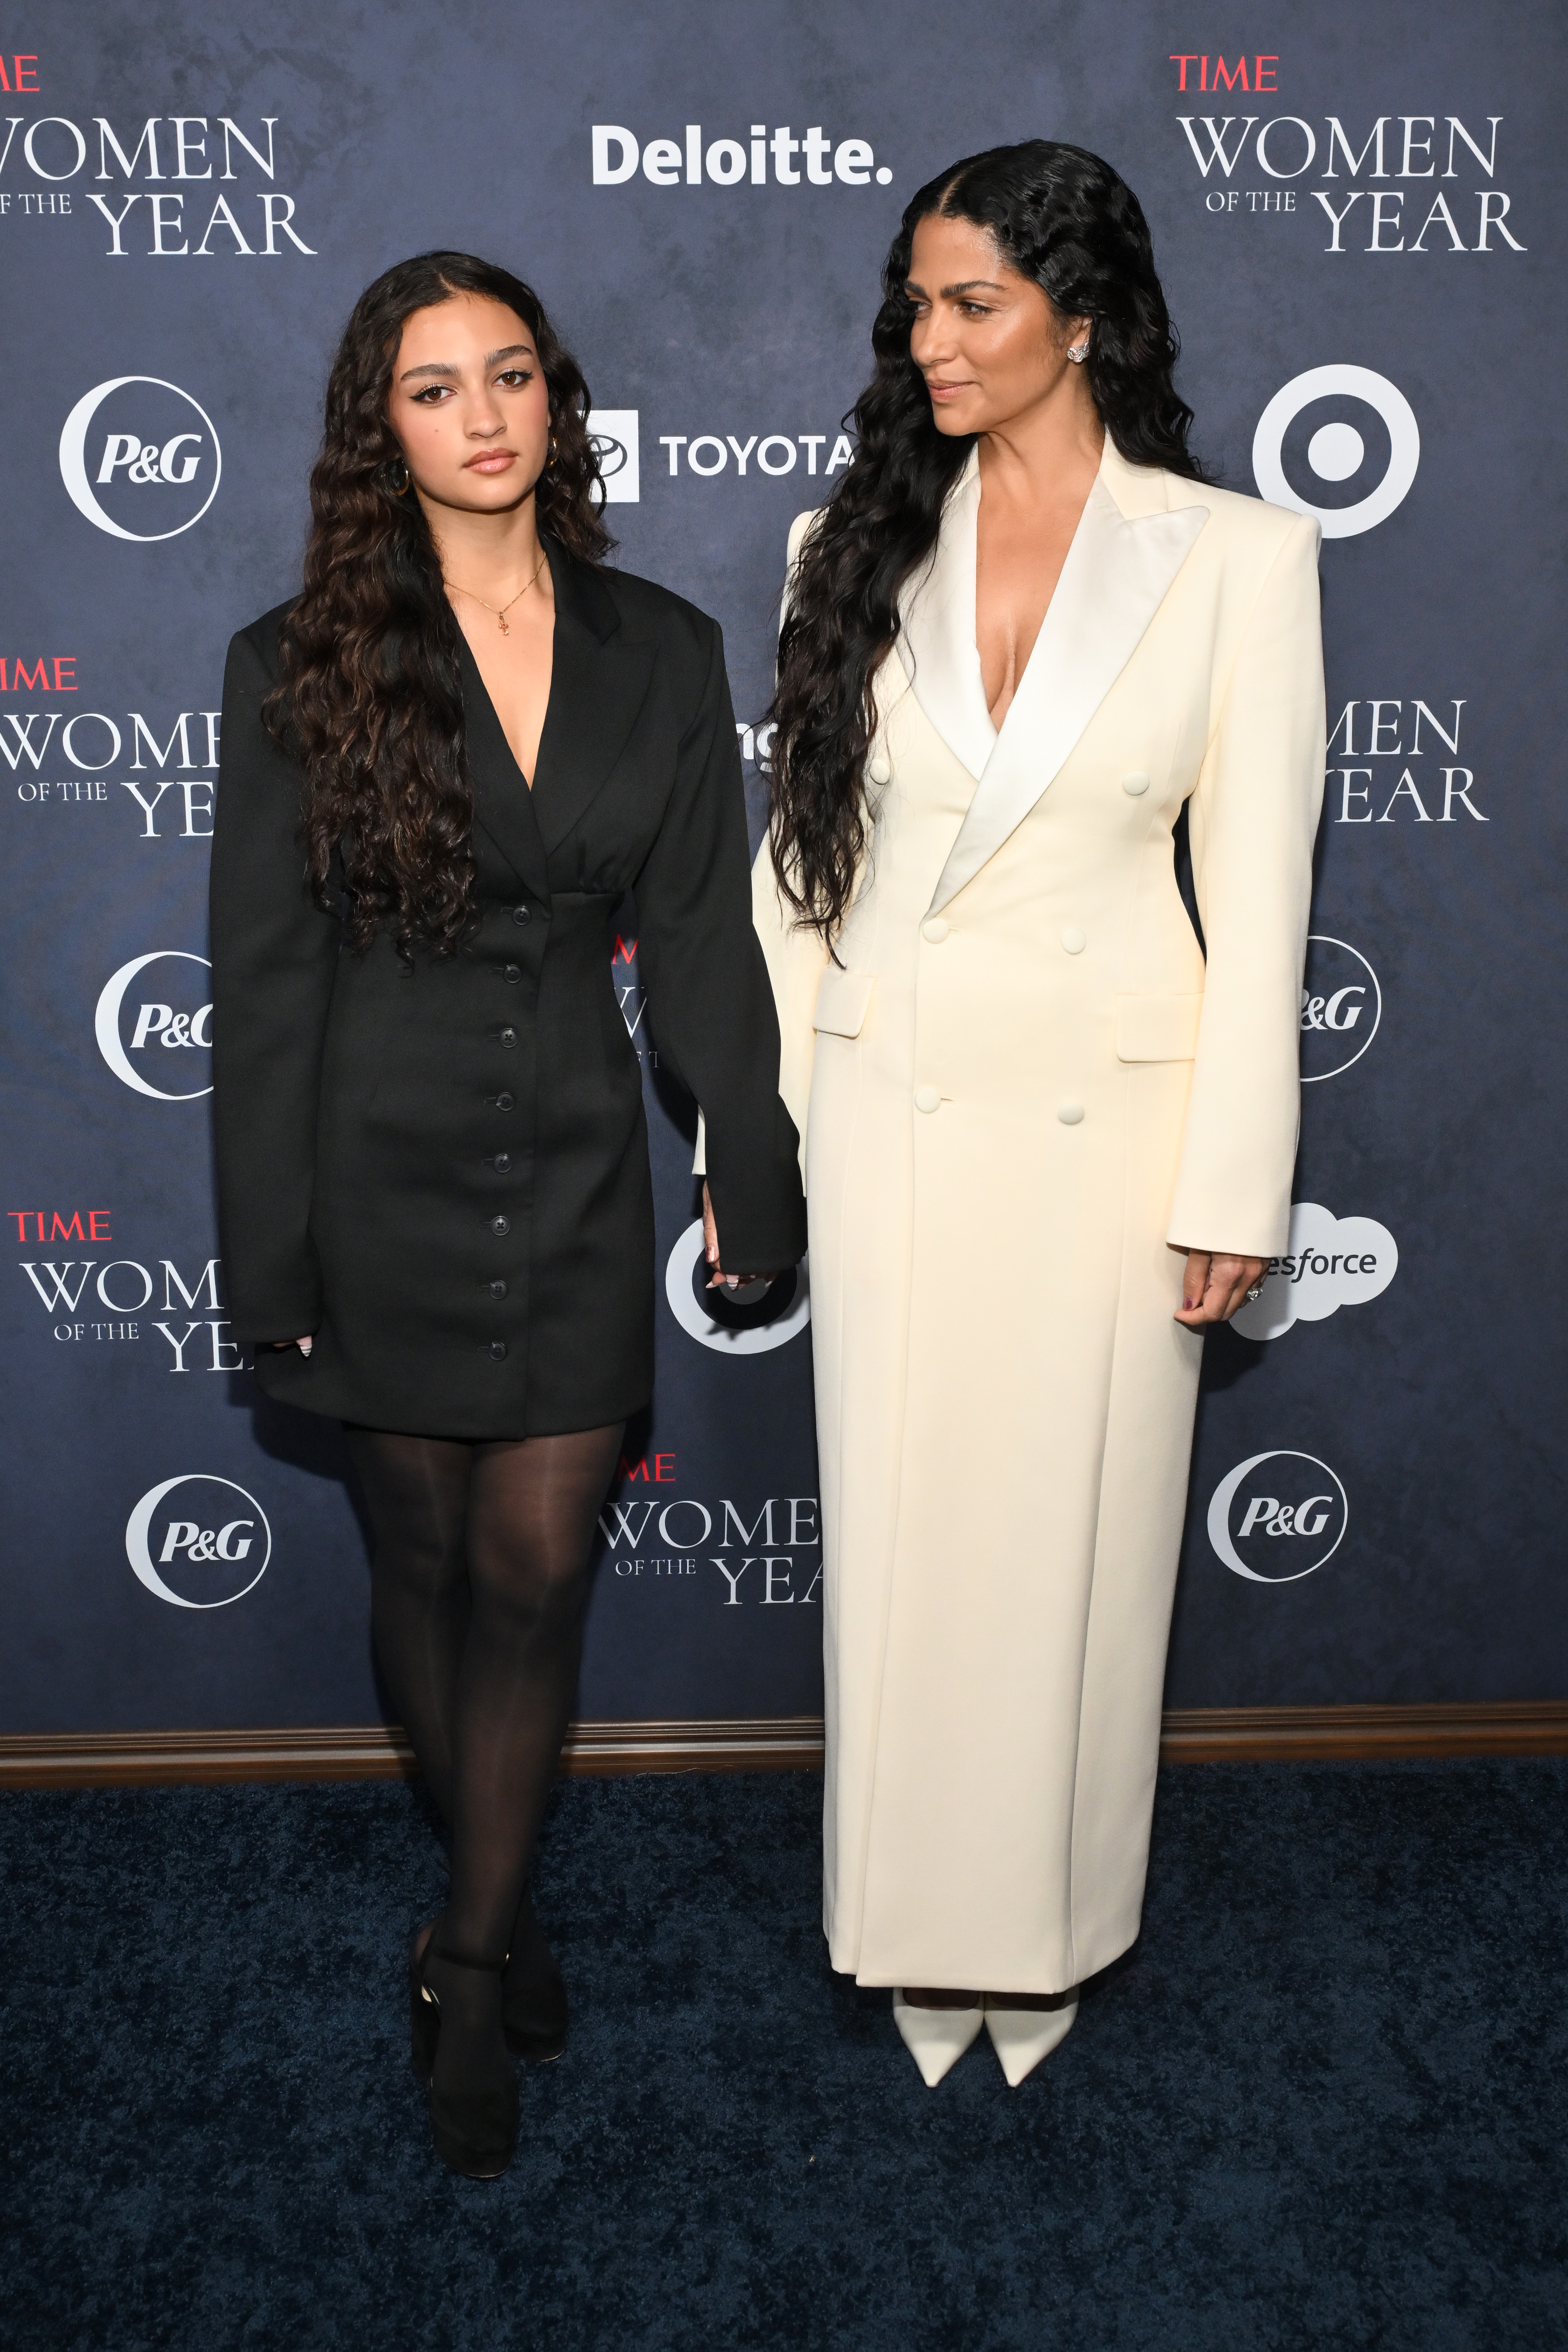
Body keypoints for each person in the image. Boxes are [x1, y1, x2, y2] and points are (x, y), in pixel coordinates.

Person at [210, 252, 804, 2174]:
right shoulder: (296, 661)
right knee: (428, 1574)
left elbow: (707, 936)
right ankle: (502, 1885)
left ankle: (465, 1949)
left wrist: (750, 1163)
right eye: (434, 387)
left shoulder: (667, 644)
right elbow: (268, 985)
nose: (483, 415)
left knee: (540, 1571)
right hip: (369, 1171)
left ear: (560, 402)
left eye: (513, 376)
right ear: (376, 430)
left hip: (569, 1159)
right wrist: (268, 1254)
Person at [755, 143, 1325, 2085]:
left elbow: (1260, 903)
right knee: (917, 1541)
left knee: (1075, 1548)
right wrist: (785, 1120)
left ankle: (1055, 1928)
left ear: (1082, 317)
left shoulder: (1239, 557)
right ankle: (912, 1923)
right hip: (898, 1113)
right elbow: (796, 878)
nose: (931, 340)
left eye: (972, 304)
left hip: (1114, 1128)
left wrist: (1233, 1178)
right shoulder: (849, 540)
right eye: (914, 303)